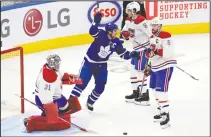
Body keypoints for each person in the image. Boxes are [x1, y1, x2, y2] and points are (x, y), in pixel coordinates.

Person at [69, 12, 139, 111]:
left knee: (101, 86)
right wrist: (96, 21)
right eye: (115, 31)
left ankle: (90, 102)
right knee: (81, 83)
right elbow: (92, 31)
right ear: (109, 31)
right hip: (89, 63)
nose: (116, 32)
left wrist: (132, 54)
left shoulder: (116, 42)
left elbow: (123, 54)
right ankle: (68, 105)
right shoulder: (101, 34)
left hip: (101, 65)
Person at [23, 54, 83, 132]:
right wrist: (51, 110)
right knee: (53, 114)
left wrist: (68, 77)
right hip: (43, 100)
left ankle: (57, 112)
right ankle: (32, 121)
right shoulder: (47, 79)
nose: (58, 65)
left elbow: (59, 75)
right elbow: (45, 96)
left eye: (58, 63)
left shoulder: (51, 69)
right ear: (52, 64)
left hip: (55, 96)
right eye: (56, 63)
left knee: (65, 105)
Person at [144, 17, 177, 129]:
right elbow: (150, 53)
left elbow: (168, 52)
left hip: (165, 66)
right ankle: (161, 109)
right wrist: (148, 63)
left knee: (161, 90)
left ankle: (166, 115)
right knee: (153, 88)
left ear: (160, 26)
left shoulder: (166, 35)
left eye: (155, 25)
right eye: (152, 25)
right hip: (155, 67)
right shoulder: (151, 37)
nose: (153, 27)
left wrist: (155, 51)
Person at [121, 1, 153, 105]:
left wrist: (152, 47)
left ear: (135, 11)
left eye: (129, 10)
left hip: (143, 50)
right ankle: (136, 92)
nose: (128, 12)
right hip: (135, 50)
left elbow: (151, 35)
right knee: (132, 70)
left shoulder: (141, 21)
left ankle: (144, 95)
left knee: (140, 72)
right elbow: (124, 33)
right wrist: (125, 34)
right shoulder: (128, 21)